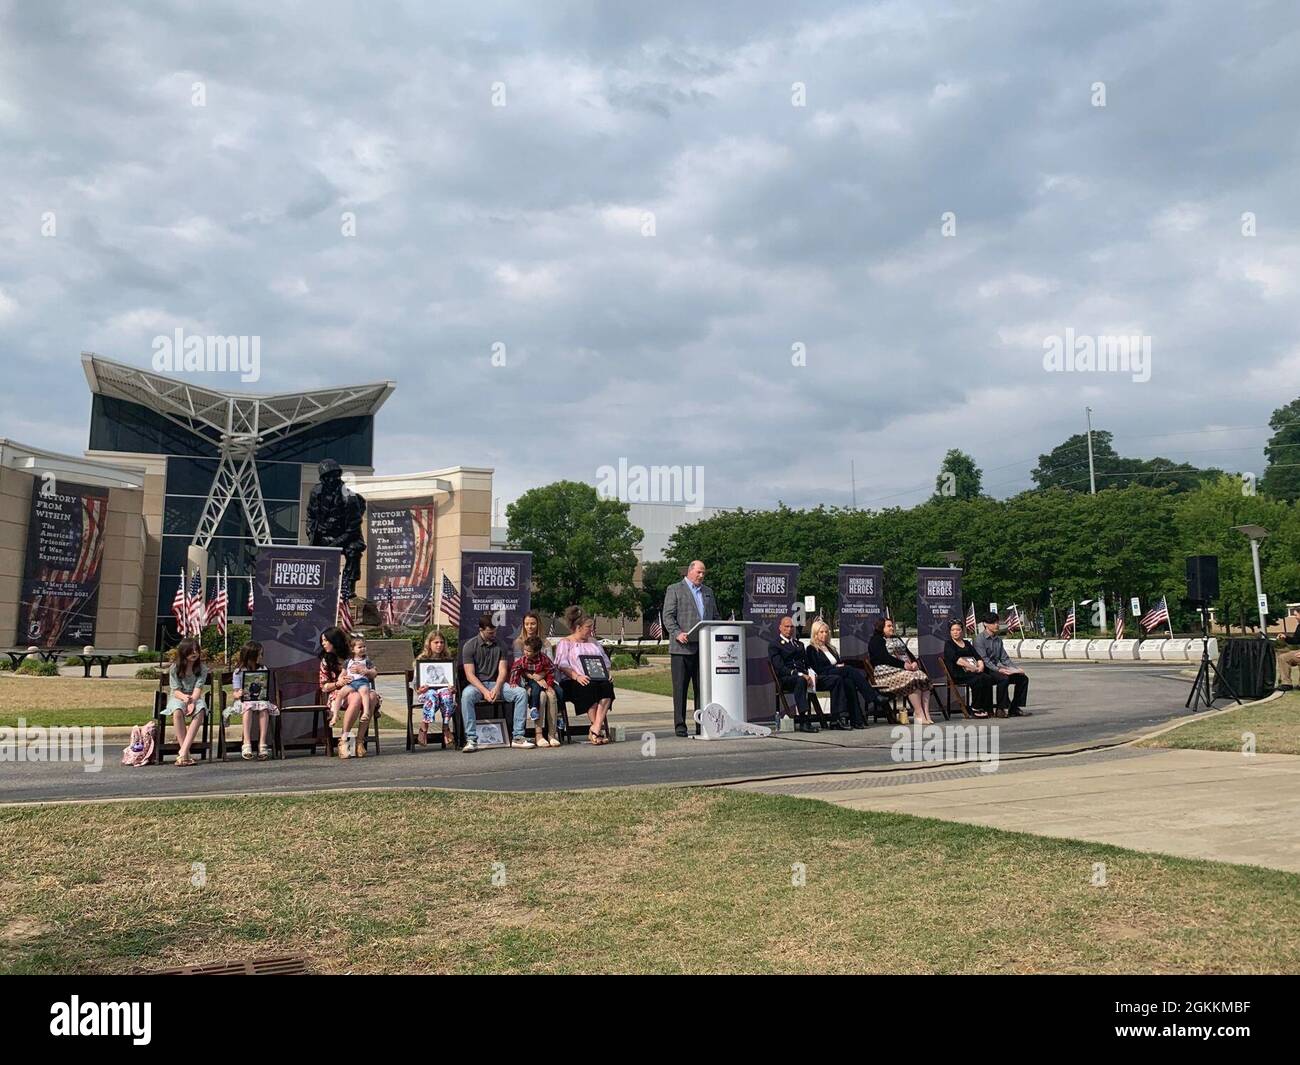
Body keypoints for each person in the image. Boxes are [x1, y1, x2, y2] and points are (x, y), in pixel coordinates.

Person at [662, 560, 719, 737]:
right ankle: (680, 726)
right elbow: (668, 616)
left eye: (704, 573)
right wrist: (677, 633)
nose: (701, 576)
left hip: (703, 649)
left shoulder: (708, 592)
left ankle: (701, 724)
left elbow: (715, 617)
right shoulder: (675, 589)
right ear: (690, 571)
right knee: (680, 689)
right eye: (699, 572)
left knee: (703, 690)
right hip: (681, 648)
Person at [461, 613, 532, 752]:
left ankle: (518, 737)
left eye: (495, 631)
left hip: (496, 684)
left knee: (520, 693)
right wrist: (485, 691)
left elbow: (503, 671)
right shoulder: (469, 646)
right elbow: (469, 675)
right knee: (466, 696)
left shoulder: (501, 645)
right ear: (480, 630)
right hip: (477, 685)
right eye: (490, 632)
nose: (493, 634)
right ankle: (471, 739)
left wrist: (497, 688)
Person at [553, 607, 615, 745]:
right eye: (588, 627)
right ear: (578, 627)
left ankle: (595, 728)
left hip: (597, 677)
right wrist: (576, 676)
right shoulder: (565, 643)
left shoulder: (593, 642)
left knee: (607, 686)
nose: (590, 630)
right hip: (573, 680)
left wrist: (607, 673)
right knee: (588, 686)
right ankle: (597, 730)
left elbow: (605, 661)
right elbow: (562, 665)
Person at [318, 626, 382, 759]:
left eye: (325, 640)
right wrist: (338, 683)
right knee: (356, 697)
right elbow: (323, 686)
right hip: (339, 693)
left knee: (372, 696)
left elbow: (373, 673)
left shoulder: (355, 654)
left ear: (334, 641)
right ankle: (343, 740)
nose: (323, 643)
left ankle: (359, 741)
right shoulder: (326, 660)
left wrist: (366, 671)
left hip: (360, 687)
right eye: (322, 641)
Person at [806, 618, 876, 728]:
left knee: (849, 682)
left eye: (826, 632)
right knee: (848, 669)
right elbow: (817, 669)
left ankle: (856, 720)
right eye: (821, 632)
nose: (824, 634)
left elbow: (838, 663)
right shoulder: (811, 649)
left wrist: (838, 667)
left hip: (835, 674)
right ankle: (871, 695)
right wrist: (836, 667)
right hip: (823, 676)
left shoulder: (831, 648)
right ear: (815, 633)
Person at [867, 617, 932, 725]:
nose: (892, 628)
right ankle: (918, 713)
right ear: (881, 627)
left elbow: (908, 653)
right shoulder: (876, 640)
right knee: (912, 678)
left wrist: (914, 662)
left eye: (892, 626)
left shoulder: (896, 638)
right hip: (885, 673)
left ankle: (926, 713)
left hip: (902, 669)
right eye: (889, 626)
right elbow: (884, 658)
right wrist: (903, 665)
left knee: (922, 676)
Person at [228, 640, 279, 760]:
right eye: (259, 654)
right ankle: (247, 742)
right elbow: (235, 693)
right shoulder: (239, 672)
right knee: (248, 707)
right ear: (251, 656)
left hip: (259, 700)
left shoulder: (263, 668)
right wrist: (239, 693)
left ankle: (262, 743)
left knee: (264, 707)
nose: (261, 657)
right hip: (244, 701)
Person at [974, 613, 1031, 717]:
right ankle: (1001, 708)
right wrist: (999, 670)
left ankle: (1014, 708)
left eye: (997, 622)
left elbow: (1004, 658)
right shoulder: (979, 639)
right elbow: (985, 660)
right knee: (1003, 678)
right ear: (986, 624)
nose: (996, 625)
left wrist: (1016, 669)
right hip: (986, 669)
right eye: (993, 623)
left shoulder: (998, 640)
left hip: (996, 668)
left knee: (1023, 679)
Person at [510, 634, 561, 747]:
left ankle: (552, 733)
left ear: (537, 651)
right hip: (530, 684)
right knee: (541, 696)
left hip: (546, 681)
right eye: (525, 650)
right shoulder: (523, 660)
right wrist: (514, 682)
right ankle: (539, 734)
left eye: (528, 651)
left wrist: (548, 684)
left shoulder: (543, 659)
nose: (526, 653)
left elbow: (551, 670)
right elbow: (515, 669)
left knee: (553, 695)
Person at [769, 615, 817, 732]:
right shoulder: (775, 645)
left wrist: (812, 674)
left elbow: (806, 663)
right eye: (786, 626)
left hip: (803, 677)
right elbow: (780, 668)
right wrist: (800, 674)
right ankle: (803, 720)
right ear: (780, 628)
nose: (789, 629)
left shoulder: (799, 645)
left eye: (791, 627)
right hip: (786, 679)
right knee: (800, 680)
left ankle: (837, 718)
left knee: (833, 679)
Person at [164, 638, 209, 766]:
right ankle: (186, 754)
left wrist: (192, 701)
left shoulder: (202, 668)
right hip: (178, 697)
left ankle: (183, 751)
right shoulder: (175, 668)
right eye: (191, 651)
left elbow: (198, 688)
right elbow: (176, 690)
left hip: (194, 697)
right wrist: (185, 699)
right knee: (177, 711)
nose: (194, 653)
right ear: (184, 652)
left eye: (196, 650)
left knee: (200, 710)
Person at [414, 630, 457, 746]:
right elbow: (415, 684)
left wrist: (453, 688)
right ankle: (424, 727)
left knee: (447, 696)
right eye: (436, 642)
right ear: (430, 643)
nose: (439, 645)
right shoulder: (422, 660)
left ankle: (446, 727)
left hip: (443, 692)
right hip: (427, 693)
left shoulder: (448, 660)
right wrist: (419, 689)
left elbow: (453, 682)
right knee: (432, 696)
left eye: (442, 642)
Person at [942, 620, 992, 719]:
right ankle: (975, 708)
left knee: (987, 678)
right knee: (978, 680)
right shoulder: (949, 644)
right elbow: (957, 660)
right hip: (958, 673)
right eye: (953, 630)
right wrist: (973, 667)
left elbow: (977, 656)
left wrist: (980, 666)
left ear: (962, 631)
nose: (955, 632)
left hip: (972, 671)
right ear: (950, 632)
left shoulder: (967, 643)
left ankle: (986, 707)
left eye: (958, 630)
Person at [1277, 604, 1300, 689]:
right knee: (1283, 657)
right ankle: (1286, 684)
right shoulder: (1299, 626)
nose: (1295, 617)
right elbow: (1296, 640)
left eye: (1296, 615)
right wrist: (1285, 637)